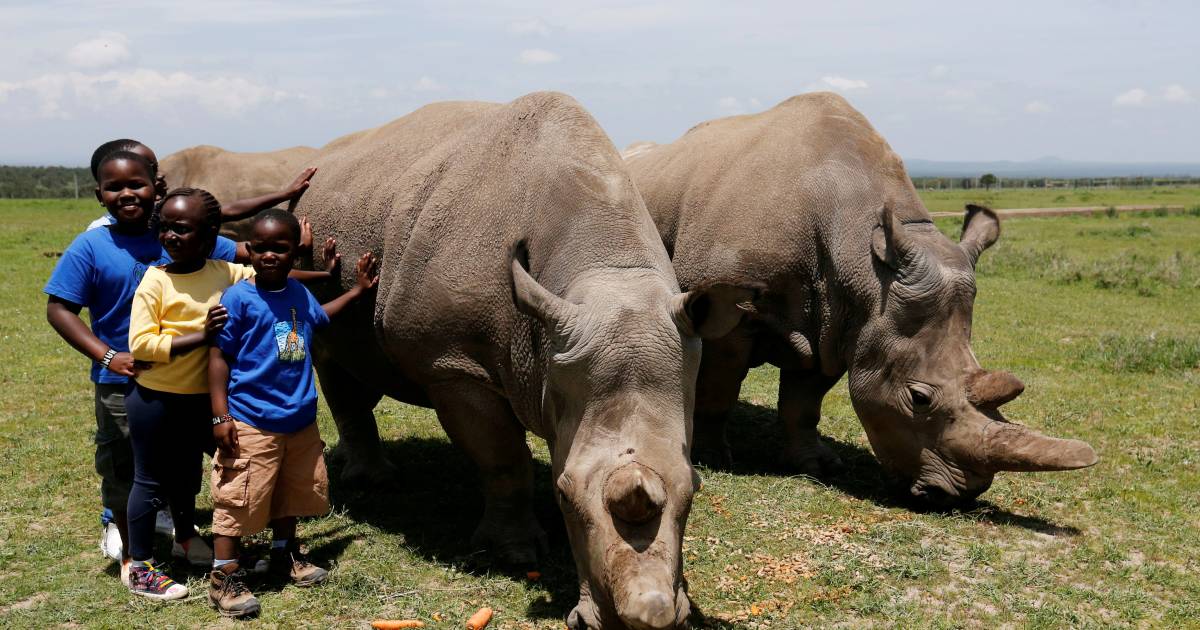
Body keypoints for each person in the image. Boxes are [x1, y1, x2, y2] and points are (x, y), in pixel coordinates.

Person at [125, 190, 337, 601]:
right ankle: (142, 565)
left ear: (209, 238)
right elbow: (142, 346)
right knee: (153, 481)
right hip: (158, 398)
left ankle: (191, 541)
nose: (169, 235)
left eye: (181, 229)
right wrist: (201, 335)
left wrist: (322, 275)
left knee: (224, 473)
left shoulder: (227, 272)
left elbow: (276, 280)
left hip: (206, 398)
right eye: (164, 227)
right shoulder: (155, 280)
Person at [43, 151, 235, 587]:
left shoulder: (175, 231)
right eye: (114, 187)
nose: (127, 194)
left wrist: (289, 245)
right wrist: (107, 355)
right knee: (128, 468)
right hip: (123, 381)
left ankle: (186, 535)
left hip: (190, 381)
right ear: (99, 195)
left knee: (184, 464)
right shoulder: (91, 246)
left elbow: (242, 254)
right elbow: (59, 309)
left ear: (157, 186)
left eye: (137, 184)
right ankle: (133, 555)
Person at [206, 209, 377, 618]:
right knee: (238, 498)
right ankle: (223, 576)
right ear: (249, 252)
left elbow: (320, 318)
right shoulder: (238, 298)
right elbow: (217, 357)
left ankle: (283, 555)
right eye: (259, 248)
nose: (268, 255)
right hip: (252, 419)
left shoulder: (299, 294)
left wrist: (356, 291)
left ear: (294, 253)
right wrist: (219, 415)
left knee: (292, 491)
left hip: (299, 418)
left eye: (279, 248)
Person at [85, 138, 316, 231]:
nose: (161, 176)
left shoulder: (163, 219)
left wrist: (284, 194)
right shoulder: (98, 236)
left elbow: (228, 211)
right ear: (100, 194)